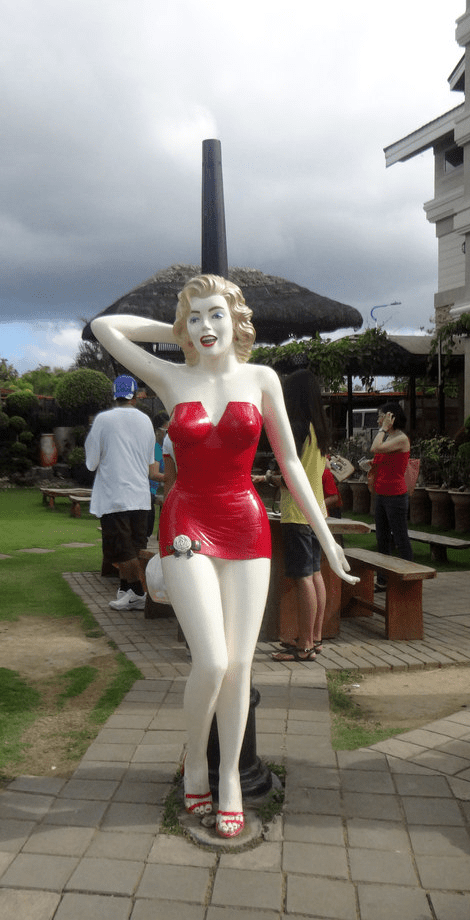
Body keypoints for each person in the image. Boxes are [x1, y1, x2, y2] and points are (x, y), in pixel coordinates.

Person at [91, 274, 358, 839]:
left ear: (237, 321)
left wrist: (327, 535)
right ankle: (195, 760)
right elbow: (104, 327)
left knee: (240, 666)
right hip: (187, 520)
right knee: (211, 661)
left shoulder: (262, 378)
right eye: (196, 317)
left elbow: (289, 461)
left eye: (218, 315)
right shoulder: (170, 376)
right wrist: (180, 325)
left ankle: (230, 778)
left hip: (246, 522)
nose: (206, 327)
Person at [269, 370, 331, 662]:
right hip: (317, 511)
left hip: (297, 511)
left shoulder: (296, 426)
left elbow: (290, 475)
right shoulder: (319, 427)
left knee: (303, 578)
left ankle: (304, 644)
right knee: (315, 575)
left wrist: (269, 478)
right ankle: (315, 637)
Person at [85, 375, 156, 611]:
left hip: (114, 495)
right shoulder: (146, 421)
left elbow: (91, 462)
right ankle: (127, 590)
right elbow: (149, 461)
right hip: (140, 495)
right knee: (134, 546)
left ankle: (137, 592)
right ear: (136, 397)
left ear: (114, 396)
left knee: (121, 549)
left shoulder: (104, 420)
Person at [368, 401, 412, 591]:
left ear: (391, 418)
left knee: (401, 538)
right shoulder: (389, 438)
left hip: (395, 496)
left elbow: (375, 448)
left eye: (381, 416)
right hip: (382, 494)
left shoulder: (400, 438)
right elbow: (380, 455)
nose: (378, 420)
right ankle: (383, 580)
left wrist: (383, 429)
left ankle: (409, 580)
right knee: (382, 538)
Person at [147, 411, 169, 537]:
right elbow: (153, 473)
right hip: (147, 493)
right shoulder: (155, 447)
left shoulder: (161, 447)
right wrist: (173, 478)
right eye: (166, 430)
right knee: (146, 532)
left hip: (152, 492)